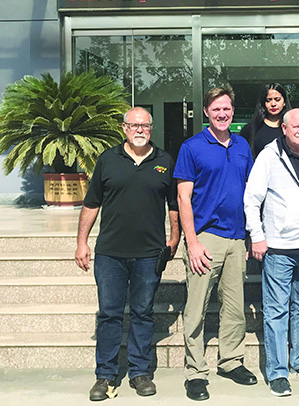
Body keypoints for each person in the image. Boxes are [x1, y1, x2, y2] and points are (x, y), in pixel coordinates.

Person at [75, 107, 179, 401]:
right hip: (111, 253)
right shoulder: (108, 160)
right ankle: (105, 375)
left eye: (144, 125)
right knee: (109, 314)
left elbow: (173, 204)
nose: (139, 130)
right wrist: (82, 242)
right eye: (134, 125)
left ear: (151, 128)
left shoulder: (164, 161)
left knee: (143, 313)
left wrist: (175, 238)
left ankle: (139, 372)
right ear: (124, 128)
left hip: (149, 254)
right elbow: (91, 203)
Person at [174, 86, 256, 401]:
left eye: (227, 109)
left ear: (233, 111)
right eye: (216, 109)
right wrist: (192, 243)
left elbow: (250, 192)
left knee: (234, 308)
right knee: (196, 308)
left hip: (236, 237)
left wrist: (249, 235)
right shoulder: (192, 147)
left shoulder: (242, 146)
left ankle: (231, 361)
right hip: (205, 238)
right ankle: (195, 372)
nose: (222, 114)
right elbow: (183, 198)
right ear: (207, 112)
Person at [244, 108, 299, 397]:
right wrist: (257, 236)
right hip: (279, 248)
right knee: (277, 311)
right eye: (296, 126)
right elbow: (252, 198)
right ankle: (278, 372)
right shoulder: (269, 156)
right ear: (284, 128)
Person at [240, 83, 292, 158]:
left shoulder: (291, 128)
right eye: (269, 100)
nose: (273, 104)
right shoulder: (251, 129)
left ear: (284, 102)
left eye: (277, 99)